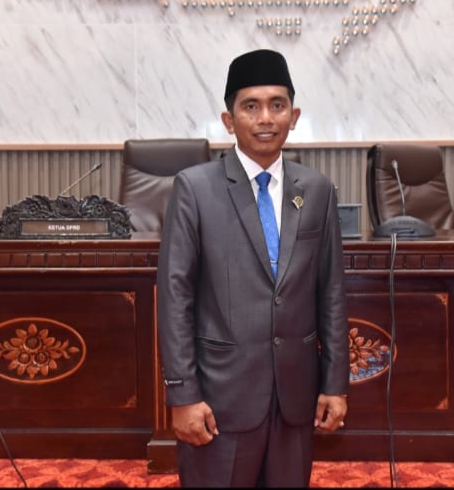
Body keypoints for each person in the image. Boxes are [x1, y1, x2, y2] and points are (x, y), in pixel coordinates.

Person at [156, 48, 350, 488]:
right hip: (219, 400)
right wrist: (182, 394)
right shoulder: (195, 189)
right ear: (229, 120)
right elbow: (175, 298)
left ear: (294, 116)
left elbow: (331, 293)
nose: (265, 118)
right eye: (251, 106)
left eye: (277, 105)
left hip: (295, 398)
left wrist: (335, 383)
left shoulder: (317, 190)